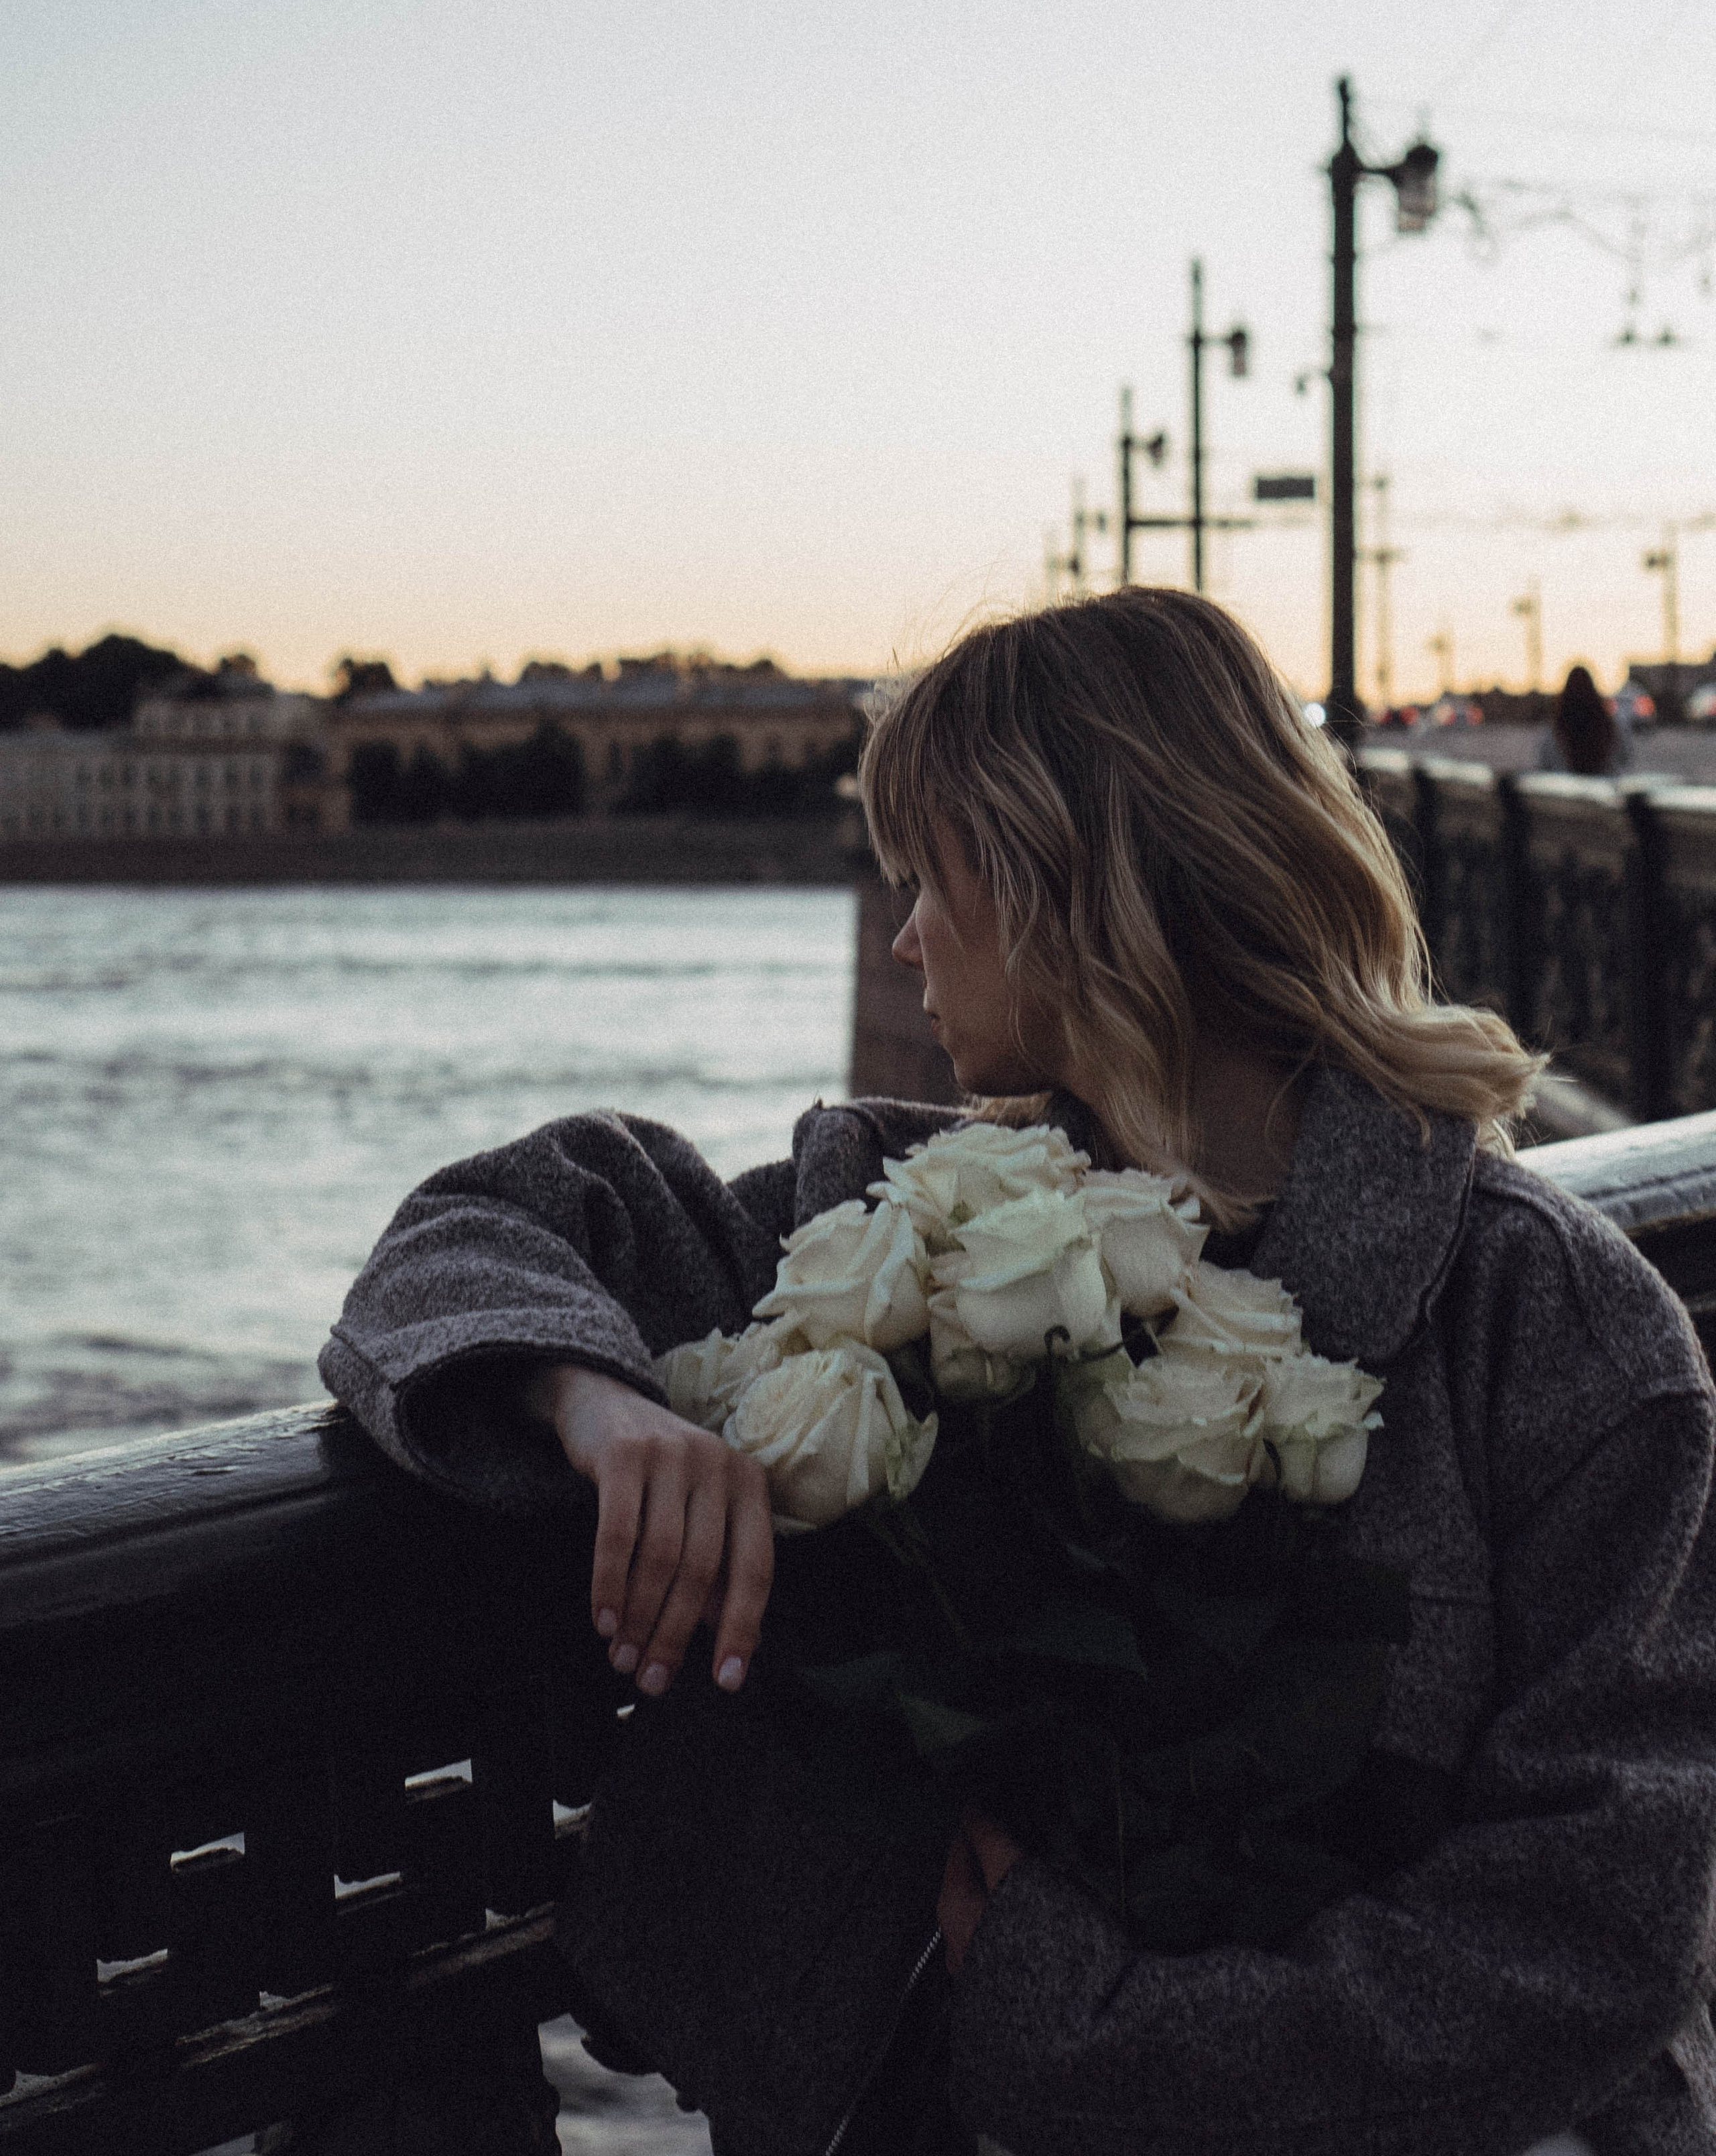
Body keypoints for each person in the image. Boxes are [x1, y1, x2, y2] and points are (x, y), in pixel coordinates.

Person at [322, 589, 1716, 2156]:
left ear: (1076, 881)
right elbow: (472, 1230)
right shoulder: (888, 1223)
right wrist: (593, 1402)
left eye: (931, 876)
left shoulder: (1545, 1323)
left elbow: (1599, 1927)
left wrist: (1088, 2035)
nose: (902, 933)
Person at [1533, 664, 1637, 776]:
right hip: (1604, 784)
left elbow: (1545, 764)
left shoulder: (1555, 729)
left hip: (1567, 785)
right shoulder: (1612, 726)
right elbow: (1625, 758)